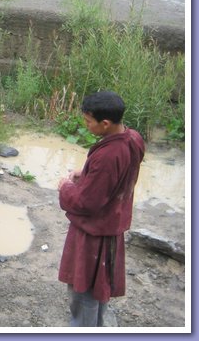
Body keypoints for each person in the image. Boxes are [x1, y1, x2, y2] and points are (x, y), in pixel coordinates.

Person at [57, 91, 145, 327]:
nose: (86, 126)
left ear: (105, 124)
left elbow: (87, 202)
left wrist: (66, 187)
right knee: (100, 283)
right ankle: (97, 324)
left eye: (88, 121)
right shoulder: (134, 138)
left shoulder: (107, 155)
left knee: (84, 287)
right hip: (113, 223)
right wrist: (85, 173)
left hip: (94, 232)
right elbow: (116, 178)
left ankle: (84, 329)